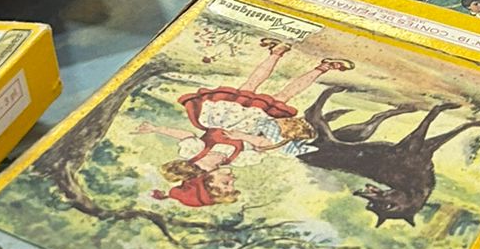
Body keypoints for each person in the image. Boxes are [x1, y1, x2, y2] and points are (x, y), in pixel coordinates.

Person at [138, 38, 354, 210]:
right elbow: (264, 143)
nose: (232, 180)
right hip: (256, 123)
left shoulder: (194, 153)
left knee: (250, 84)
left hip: (226, 115)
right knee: (284, 95)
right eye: (231, 185)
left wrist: (156, 128)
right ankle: (324, 67)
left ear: (207, 182)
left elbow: (184, 135)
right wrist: (243, 137)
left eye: (226, 184)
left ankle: (277, 52)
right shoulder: (239, 160)